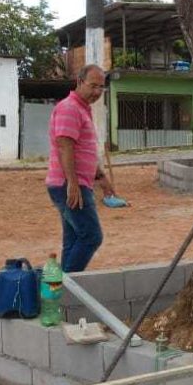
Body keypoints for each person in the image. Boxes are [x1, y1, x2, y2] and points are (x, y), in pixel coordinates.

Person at [46, 64, 114, 273]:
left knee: (73, 239)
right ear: (79, 82)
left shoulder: (82, 109)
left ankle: (60, 293)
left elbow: (83, 150)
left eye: (101, 88)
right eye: (93, 86)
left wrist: (101, 177)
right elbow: (65, 146)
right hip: (69, 184)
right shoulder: (69, 108)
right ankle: (64, 286)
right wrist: (73, 184)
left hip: (73, 183)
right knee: (92, 237)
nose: (97, 92)